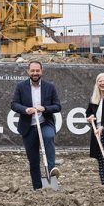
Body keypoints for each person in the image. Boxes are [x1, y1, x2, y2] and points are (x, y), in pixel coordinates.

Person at [11, 60, 62, 190]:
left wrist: (44, 108)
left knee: (48, 136)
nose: (35, 73)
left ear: (41, 71)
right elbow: (14, 104)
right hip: (28, 127)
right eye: (32, 71)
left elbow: (57, 106)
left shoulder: (49, 87)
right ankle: (38, 188)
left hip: (45, 123)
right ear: (28, 72)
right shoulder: (21, 87)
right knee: (33, 161)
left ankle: (51, 171)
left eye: (37, 70)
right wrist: (25, 109)